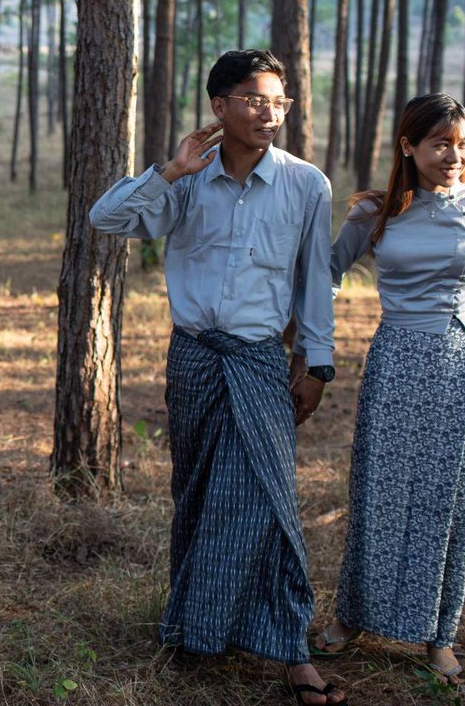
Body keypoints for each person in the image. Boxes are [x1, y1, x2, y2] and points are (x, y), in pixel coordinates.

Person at [90, 50, 344, 705]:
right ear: (219, 106)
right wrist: (170, 169)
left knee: (268, 501)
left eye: (279, 102)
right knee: (200, 496)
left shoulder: (305, 185)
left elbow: (315, 280)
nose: (268, 112)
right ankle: (196, 628)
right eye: (254, 99)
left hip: (261, 362)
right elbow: (106, 219)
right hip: (196, 358)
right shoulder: (186, 181)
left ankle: (291, 650)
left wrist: (316, 363)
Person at [313, 93, 465, 685]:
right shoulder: (376, 211)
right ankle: (351, 616)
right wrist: (313, 338)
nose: (454, 155)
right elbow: (328, 271)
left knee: (446, 496)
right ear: (409, 146)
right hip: (394, 359)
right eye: (441, 143)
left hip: (455, 360)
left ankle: (438, 634)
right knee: (380, 489)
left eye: (463, 144)